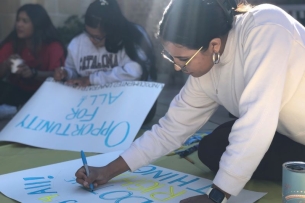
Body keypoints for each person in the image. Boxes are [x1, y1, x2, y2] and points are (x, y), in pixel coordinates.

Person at [76, 0, 305, 202]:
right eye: (171, 57)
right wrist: (107, 170)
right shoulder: (206, 67)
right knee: (212, 148)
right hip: (285, 132)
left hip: (285, 130)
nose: (177, 66)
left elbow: (257, 121)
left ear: (214, 45)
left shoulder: (267, 28)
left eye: (183, 58)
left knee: (242, 140)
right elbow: (170, 129)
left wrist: (216, 196)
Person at [53, 0, 156, 87]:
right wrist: (66, 73)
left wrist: (91, 80)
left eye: (97, 37)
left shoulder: (132, 36)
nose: (91, 40)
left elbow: (135, 72)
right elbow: (73, 70)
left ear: (112, 31)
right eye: (88, 34)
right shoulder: (77, 43)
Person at [0, 4, 66, 109]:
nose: (19, 25)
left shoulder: (53, 46)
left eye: (25, 21)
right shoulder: (14, 42)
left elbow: (60, 75)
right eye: (18, 20)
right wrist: (6, 64)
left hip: (44, 95)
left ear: (37, 24)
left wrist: (33, 73)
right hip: (18, 93)